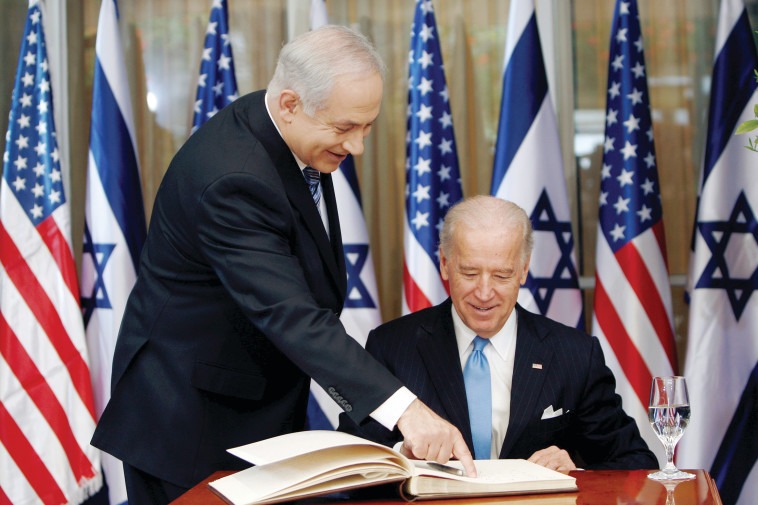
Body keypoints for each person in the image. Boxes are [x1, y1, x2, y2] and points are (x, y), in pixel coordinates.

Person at [91, 25, 474, 505]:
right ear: (291, 104)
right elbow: (290, 314)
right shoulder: (234, 178)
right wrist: (407, 411)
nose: (357, 146)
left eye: (367, 126)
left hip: (254, 410)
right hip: (190, 427)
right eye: (344, 129)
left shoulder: (285, 126)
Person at [338, 195, 657, 471]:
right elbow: (350, 460)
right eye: (470, 272)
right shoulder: (391, 347)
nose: (485, 292)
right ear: (445, 264)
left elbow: (635, 463)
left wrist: (576, 467)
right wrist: (402, 456)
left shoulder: (575, 354)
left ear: (523, 270)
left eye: (502, 275)